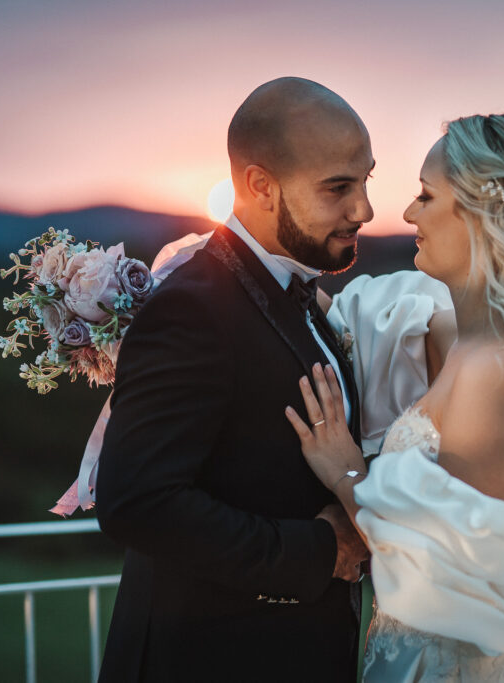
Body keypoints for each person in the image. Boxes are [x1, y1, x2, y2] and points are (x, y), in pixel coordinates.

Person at [286, 114, 504, 681]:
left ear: (484, 215)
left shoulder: (502, 372)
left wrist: (346, 473)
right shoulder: (466, 340)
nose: (407, 214)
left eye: (426, 196)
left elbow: (436, 563)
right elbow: (366, 318)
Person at [94, 77, 373, 682]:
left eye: (365, 181)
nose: (364, 210)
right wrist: (320, 551)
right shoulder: (194, 306)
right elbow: (135, 502)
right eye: (338, 188)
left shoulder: (296, 294)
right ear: (260, 186)